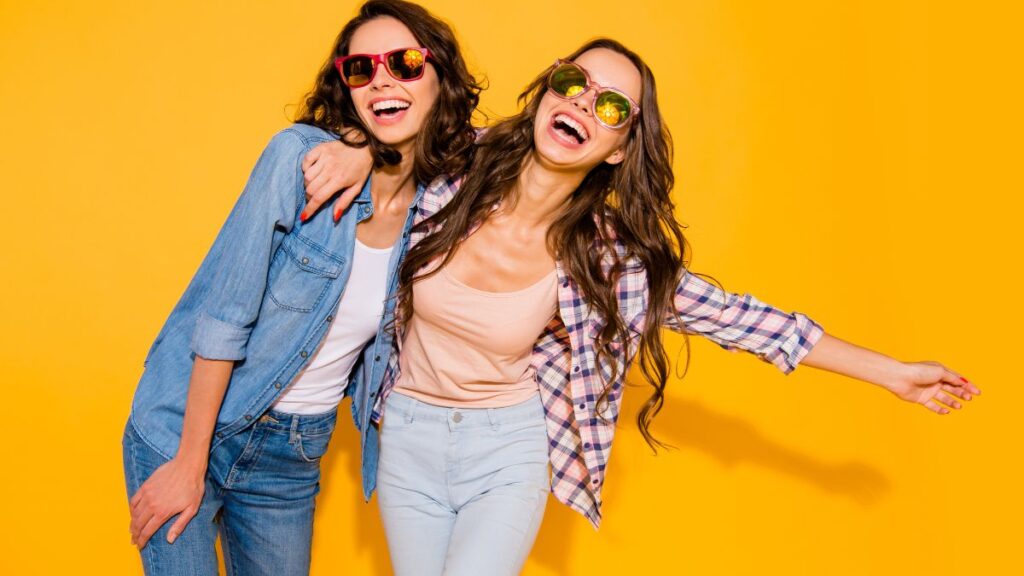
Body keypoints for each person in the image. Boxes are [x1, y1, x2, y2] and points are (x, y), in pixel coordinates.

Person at [302, 38, 980, 576]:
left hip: (505, 449)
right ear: (547, 94)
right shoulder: (450, 167)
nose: (583, 103)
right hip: (407, 439)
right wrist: (361, 151)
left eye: (610, 106)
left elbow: (745, 320)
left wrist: (893, 373)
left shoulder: (609, 259)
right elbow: (389, 124)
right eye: (574, 83)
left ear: (619, 146)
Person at [121, 1, 480, 573]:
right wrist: (189, 461)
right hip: (186, 428)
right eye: (361, 69)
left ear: (442, 77)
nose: (382, 79)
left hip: (292, 457)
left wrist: (366, 150)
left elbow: (524, 153)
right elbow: (224, 314)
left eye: (406, 62)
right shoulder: (299, 161)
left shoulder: (441, 205)